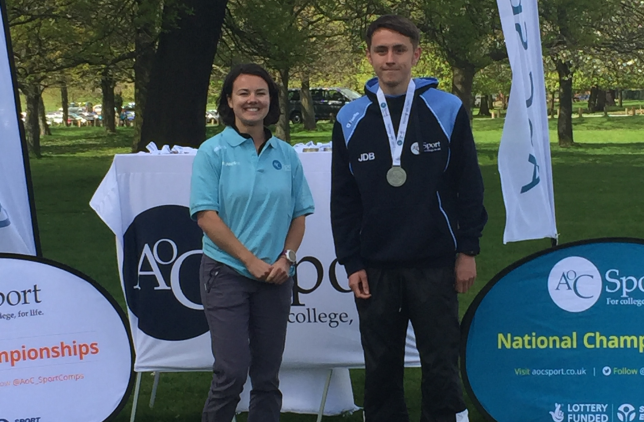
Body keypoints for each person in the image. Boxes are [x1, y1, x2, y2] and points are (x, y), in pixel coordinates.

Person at [330, 14, 488, 422]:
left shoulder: (446, 107)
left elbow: (468, 184)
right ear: (369, 57)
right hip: (375, 263)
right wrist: (352, 261)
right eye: (381, 50)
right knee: (380, 364)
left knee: (440, 360)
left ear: (415, 55)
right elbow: (344, 199)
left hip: (434, 259)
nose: (390, 59)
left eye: (399, 50)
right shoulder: (349, 118)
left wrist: (467, 248)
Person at [190, 63, 315, 422]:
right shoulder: (212, 152)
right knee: (231, 372)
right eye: (243, 93)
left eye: (260, 93)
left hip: (275, 276)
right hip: (226, 273)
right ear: (229, 100)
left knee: (266, 376)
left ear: (270, 101)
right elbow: (206, 217)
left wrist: (286, 259)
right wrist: (250, 261)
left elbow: (298, 214)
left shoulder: (286, 155)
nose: (252, 100)